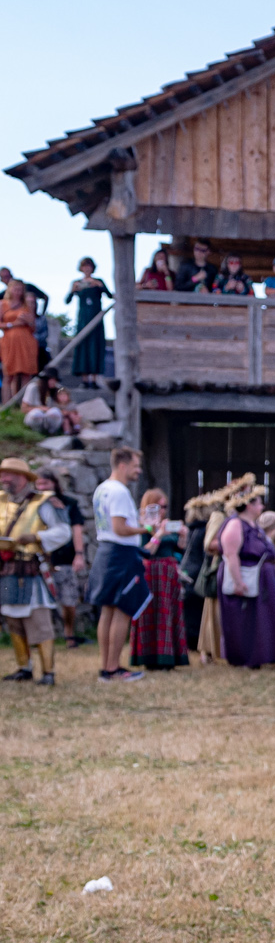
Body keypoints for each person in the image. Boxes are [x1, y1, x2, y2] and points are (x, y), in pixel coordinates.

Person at [0, 457, 66, 686]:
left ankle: (48, 672)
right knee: (11, 617)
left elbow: (63, 532)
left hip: (32, 569)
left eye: (7, 475)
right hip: (7, 569)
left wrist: (37, 537)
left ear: (22, 478)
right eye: (2, 474)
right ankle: (23, 668)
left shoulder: (43, 502)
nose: (3, 479)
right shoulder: (0, 501)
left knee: (39, 618)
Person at [89, 448, 153, 683]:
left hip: (106, 552)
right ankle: (114, 668)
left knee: (107, 610)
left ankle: (106, 667)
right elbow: (120, 528)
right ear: (123, 465)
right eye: (136, 466)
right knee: (123, 610)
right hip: (122, 553)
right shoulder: (119, 491)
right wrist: (146, 528)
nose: (139, 470)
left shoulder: (102, 488)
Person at [218, 485, 275, 669]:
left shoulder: (255, 525)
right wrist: (238, 582)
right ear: (249, 505)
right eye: (258, 502)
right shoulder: (235, 524)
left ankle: (262, 655)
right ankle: (244, 657)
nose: (262, 506)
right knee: (244, 618)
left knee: (260, 618)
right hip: (246, 576)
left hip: (263, 578)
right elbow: (231, 554)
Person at [132, 489, 189, 670]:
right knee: (152, 613)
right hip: (151, 572)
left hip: (169, 573)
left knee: (169, 612)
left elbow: (180, 549)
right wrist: (159, 534)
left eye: (165, 507)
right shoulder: (142, 527)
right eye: (159, 507)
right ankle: (150, 657)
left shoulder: (167, 525)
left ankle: (170, 657)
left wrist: (183, 535)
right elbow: (146, 551)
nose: (163, 511)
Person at [35, 470, 87, 646]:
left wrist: (79, 555)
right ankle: (41, 638)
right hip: (40, 559)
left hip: (64, 557)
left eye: (46, 484)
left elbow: (76, 529)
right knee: (40, 601)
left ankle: (69, 634)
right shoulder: (32, 505)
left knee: (68, 600)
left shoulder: (69, 504)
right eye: (39, 484)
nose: (42, 488)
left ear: (54, 484)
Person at [64, 259, 109, 389]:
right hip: (83, 319)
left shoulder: (98, 281)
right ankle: (84, 379)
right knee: (83, 346)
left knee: (95, 346)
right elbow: (67, 301)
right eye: (85, 266)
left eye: (89, 266)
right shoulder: (77, 283)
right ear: (81, 268)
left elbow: (110, 295)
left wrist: (99, 285)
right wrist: (73, 290)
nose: (87, 268)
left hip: (96, 318)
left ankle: (94, 379)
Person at [1, 279, 37, 404]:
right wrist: (13, 323)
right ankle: (7, 405)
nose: (18, 292)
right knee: (9, 374)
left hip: (26, 342)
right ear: (10, 289)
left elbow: (33, 327)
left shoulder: (27, 305)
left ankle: (24, 404)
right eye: (15, 289)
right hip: (9, 342)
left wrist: (29, 320)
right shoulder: (3, 304)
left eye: (20, 290)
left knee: (26, 374)